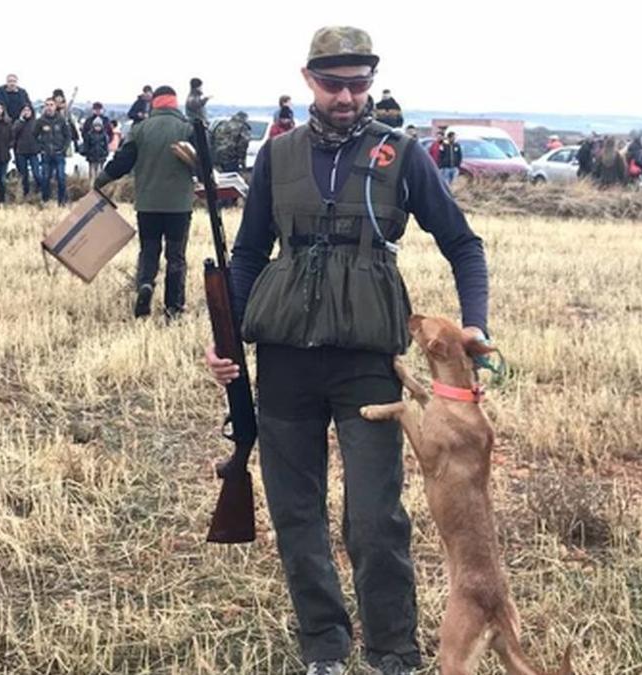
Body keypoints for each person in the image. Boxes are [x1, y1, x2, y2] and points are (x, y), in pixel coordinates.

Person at [204, 27, 489, 675]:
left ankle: (393, 651)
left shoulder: (402, 154)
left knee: (375, 516)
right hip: (283, 357)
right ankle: (324, 646)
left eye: (358, 84)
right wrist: (226, 341)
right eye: (333, 83)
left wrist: (475, 325)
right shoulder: (276, 157)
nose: (346, 96)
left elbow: (463, 244)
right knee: (295, 509)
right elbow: (247, 253)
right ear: (308, 79)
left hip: (367, 358)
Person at [95, 85, 195, 319]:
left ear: (155, 104)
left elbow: (123, 161)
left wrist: (101, 180)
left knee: (149, 250)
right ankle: (173, 308)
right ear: (175, 103)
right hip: (178, 206)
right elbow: (205, 161)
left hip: (147, 204)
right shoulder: (187, 129)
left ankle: (145, 285)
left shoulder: (139, 130)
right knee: (176, 255)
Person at [36, 100, 73, 205]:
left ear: (55, 107)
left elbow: (68, 136)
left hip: (59, 154)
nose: (49, 107)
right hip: (46, 154)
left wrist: (64, 148)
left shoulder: (61, 120)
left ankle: (61, 201)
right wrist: (40, 148)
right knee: (45, 178)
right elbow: (34, 136)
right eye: (47, 105)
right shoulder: (40, 121)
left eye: (51, 105)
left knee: (61, 178)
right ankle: (45, 201)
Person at [12, 104, 43, 198]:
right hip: (21, 151)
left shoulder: (35, 122)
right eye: (25, 110)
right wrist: (21, 120)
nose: (26, 112)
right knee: (24, 175)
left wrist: (40, 147)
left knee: (36, 173)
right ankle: (26, 193)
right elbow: (14, 132)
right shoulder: (18, 122)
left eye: (28, 110)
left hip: (33, 151)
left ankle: (40, 188)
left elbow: (40, 135)